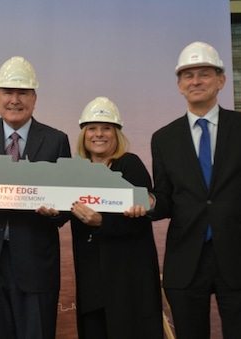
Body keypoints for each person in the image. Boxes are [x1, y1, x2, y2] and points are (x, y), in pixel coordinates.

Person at [150, 41, 241, 339]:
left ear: (221, 81)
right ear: (179, 85)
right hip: (186, 262)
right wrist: (144, 203)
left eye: (204, 74)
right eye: (188, 75)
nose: (196, 81)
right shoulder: (164, 138)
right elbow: (164, 201)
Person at [0, 56, 71, 339]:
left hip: (35, 263)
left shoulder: (56, 140)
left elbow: (67, 203)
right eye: (8, 92)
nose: (15, 100)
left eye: (22, 93)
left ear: (34, 97)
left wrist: (55, 211)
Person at [69, 97, 164, 339]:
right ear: (83, 134)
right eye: (92, 128)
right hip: (93, 283)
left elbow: (141, 219)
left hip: (129, 283)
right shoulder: (76, 172)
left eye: (106, 128)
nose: (98, 134)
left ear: (117, 133)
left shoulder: (130, 165)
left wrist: (102, 222)